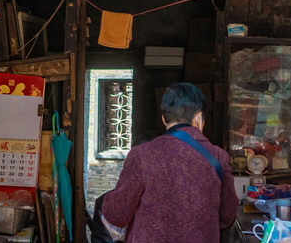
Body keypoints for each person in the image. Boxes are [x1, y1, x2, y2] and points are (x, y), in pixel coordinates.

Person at [101, 82, 238, 242]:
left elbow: (117, 214)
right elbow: (227, 216)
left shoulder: (142, 155)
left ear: (163, 120)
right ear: (199, 118)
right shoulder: (218, 157)